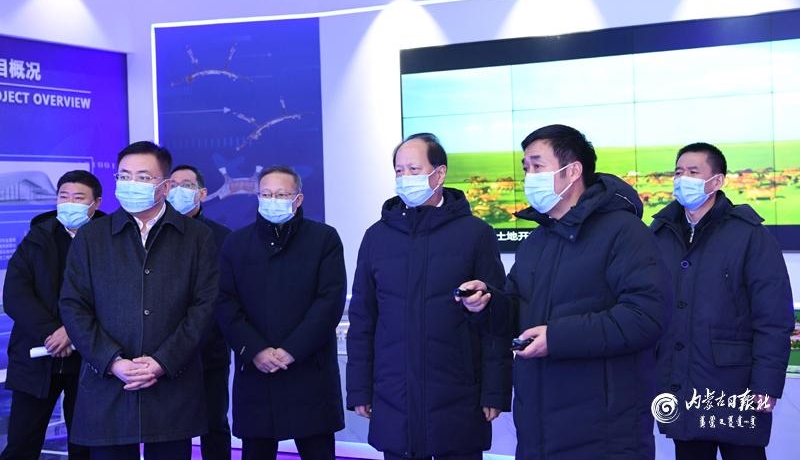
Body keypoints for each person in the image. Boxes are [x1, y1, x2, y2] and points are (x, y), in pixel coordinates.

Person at [458, 124, 670, 460]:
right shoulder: (537, 241)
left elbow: (645, 317)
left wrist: (557, 338)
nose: (529, 177)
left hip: (604, 435)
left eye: (537, 166)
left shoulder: (624, 232)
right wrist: (487, 303)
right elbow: (518, 311)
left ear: (572, 171)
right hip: (538, 430)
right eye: (526, 168)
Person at [347, 133, 511, 460]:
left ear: (439, 173)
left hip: (458, 395)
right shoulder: (376, 236)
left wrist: (494, 391)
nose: (405, 178)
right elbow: (363, 319)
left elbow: (496, 321)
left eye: (414, 169)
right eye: (399, 171)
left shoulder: (475, 233)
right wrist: (359, 389)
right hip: (394, 396)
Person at [59, 141, 219, 460]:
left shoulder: (197, 237)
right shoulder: (92, 236)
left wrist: (162, 362)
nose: (132, 184)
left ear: (165, 186)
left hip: (172, 383)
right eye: (124, 175)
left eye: (144, 177)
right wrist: (113, 361)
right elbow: (74, 305)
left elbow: (205, 307)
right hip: (108, 384)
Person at [650, 142, 794, 460]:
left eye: (693, 172)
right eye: (678, 172)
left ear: (716, 181)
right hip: (681, 383)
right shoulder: (660, 233)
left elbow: (773, 318)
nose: (682, 179)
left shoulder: (749, 235)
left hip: (737, 386)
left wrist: (767, 385)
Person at [216, 165, 346, 460]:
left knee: (317, 450)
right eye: (266, 194)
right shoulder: (236, 243)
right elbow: (225, 302)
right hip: (256, 371)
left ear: (298, 199)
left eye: (281, 195)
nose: (272, 200)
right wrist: (256, 350)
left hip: (309, 371)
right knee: (256, 450)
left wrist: (291, 350)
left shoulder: (323, 239)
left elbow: (329, 302)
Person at [1, 170, 104, 460]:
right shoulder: (37, 237)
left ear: (96, 203)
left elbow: (116, 297)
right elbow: (15, 295)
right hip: (36, 357)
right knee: (21, 443)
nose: (69, 203)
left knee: (86, 446)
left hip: (89, 360)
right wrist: (51, 332)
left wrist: (72, 331)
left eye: (78, 197)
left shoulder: (110, 240)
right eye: (63, 196)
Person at [168, 164, 232, 460]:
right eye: (173, 184)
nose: (178, 191)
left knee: (214, 424)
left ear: (202, 193)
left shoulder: (222, 237)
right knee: (170, 429)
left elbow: (225, 295)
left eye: (187, 185)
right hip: (165, 351)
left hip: (210, 349)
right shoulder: (152, 233)